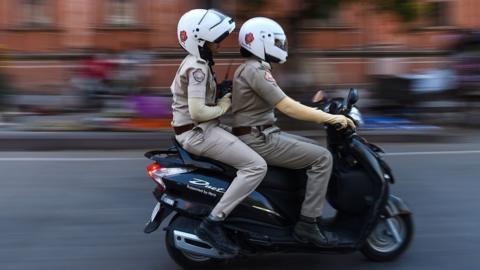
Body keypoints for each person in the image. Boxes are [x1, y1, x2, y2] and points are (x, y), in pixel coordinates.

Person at [232, 17, 356, 246]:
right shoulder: (256, 70)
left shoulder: (253, 68)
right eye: (276, 42)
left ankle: (294, 209)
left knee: (315, 149)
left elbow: (283, 102)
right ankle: (308, 224)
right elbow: (287, 106)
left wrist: (320, 110)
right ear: (261, 42)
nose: (281, 47)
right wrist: (330, 118)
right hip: (259, 138)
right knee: (323, 158)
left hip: (261, 132)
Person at [171, 9, 268, 255]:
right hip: (197, 132)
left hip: (201, 129)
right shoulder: (198, 68)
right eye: (216, 41)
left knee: (250, 138)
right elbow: (197, 112)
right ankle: (213, 222)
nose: (220, 45)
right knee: (256, 166)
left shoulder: (197, 62)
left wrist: (219, 92)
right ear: (201, 40)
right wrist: (223, 104)